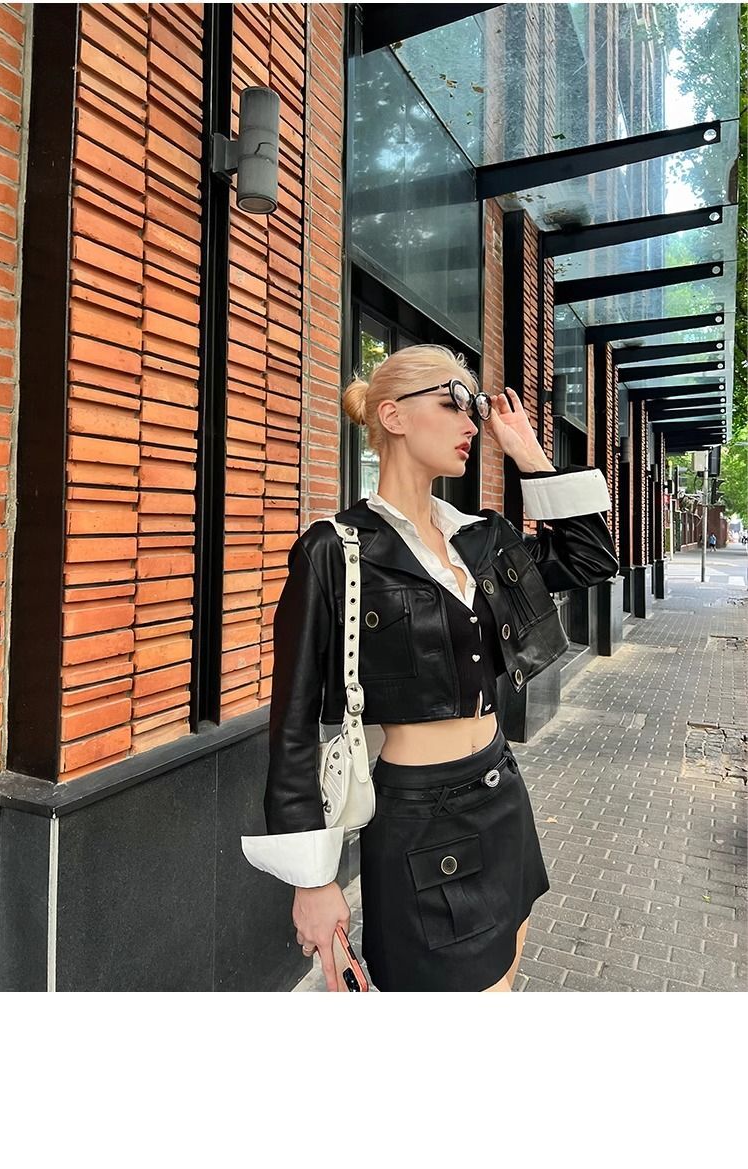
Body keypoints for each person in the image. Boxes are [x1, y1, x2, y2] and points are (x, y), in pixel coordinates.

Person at [253, 345, 619, 992]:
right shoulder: (335, 551)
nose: (472, 423)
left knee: (503, 981)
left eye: (475, 409)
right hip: (421, 819)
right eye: (454, 403)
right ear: (392, 416)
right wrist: (313, 880)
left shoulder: (481, 538)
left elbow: (592, 558)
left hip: (502, 789)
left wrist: (528, 451)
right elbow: (291, 726)